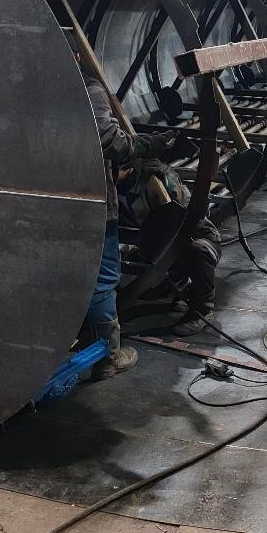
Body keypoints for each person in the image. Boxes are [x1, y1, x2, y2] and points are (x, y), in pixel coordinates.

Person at [83, 73, 176, 380]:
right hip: (91, 201)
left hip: (46, 200)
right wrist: (147, 145)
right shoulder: (87, 87)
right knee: (103, 278)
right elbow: (108, 139)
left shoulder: (33, 83)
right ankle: (108, 356)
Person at [118, 160, 221, 336]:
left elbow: (185, 218)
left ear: (126, 168)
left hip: (194, 237)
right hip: (155, 244)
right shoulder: (113, 186)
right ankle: (175, 285)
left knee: (197, 251)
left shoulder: (156, 178)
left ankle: (203, 309)